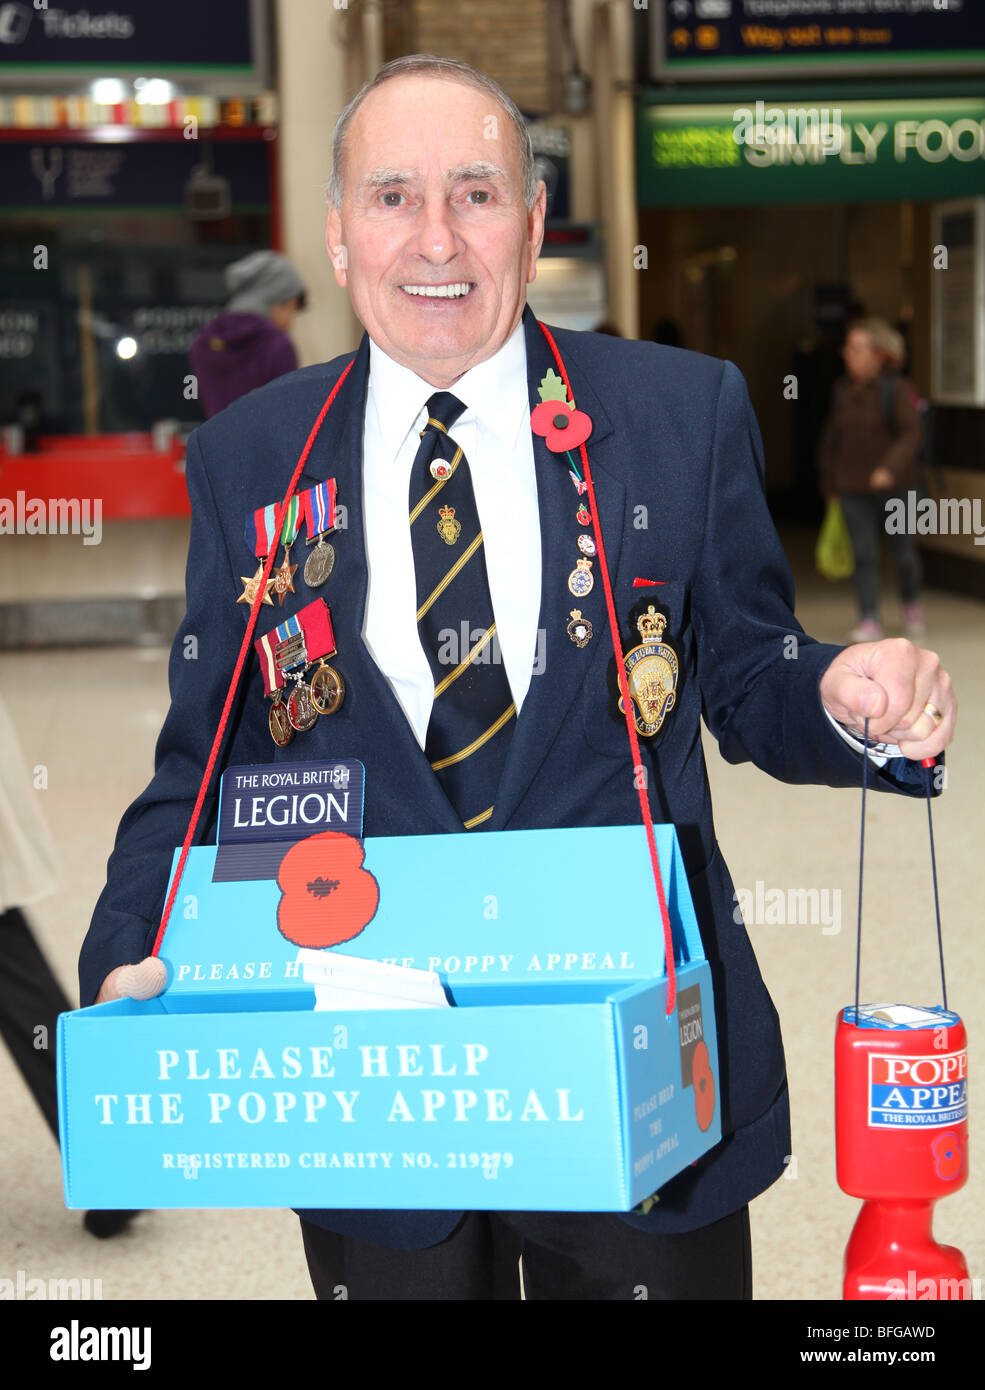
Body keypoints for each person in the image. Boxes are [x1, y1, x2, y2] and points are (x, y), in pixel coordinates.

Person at [80, 55, 956, 1301]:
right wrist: (129, 951)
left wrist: (841, 693)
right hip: (372, 1098)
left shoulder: (676, 412)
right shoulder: (253, 458)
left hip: (639, 1084)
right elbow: (206, 760)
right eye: (390, 196)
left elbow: (749, 673)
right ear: (336, 234)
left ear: (534, 223)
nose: (434, 238)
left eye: (476, 192)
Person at [818, 317, 926, 642]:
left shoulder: (897, 389)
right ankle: (869, 617)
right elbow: (831, 439)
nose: (848, 355)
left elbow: (912, 434)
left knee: (903, 553)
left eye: (857, 348)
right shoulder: (841, 390)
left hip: (897, 487)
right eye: (847, 348)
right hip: (852, 486)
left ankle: (911, 604)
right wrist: (829, 483)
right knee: (864, 554)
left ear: (879, 354)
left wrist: (888, 468)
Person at [189, 250, 307, 419]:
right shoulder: (277, 345)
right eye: (292, 308)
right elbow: (288, 414)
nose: (291, 322)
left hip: (216, 444)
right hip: (270, 445)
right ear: (279, 301)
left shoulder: (203, 343)